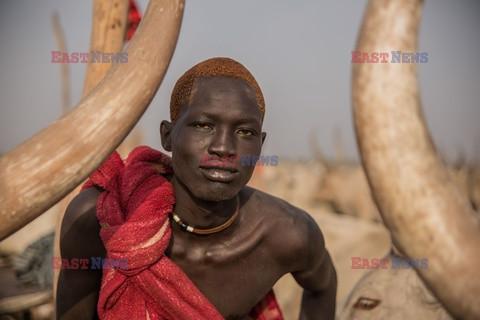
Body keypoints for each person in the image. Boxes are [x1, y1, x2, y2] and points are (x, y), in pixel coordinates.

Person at [57, 57, 337, 320]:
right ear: (168, 136)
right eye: (203, 125)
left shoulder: (288, 234)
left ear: (260, 145)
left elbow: (322, 284)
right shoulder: (102, 221)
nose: (224, 148)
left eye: (245, 132)